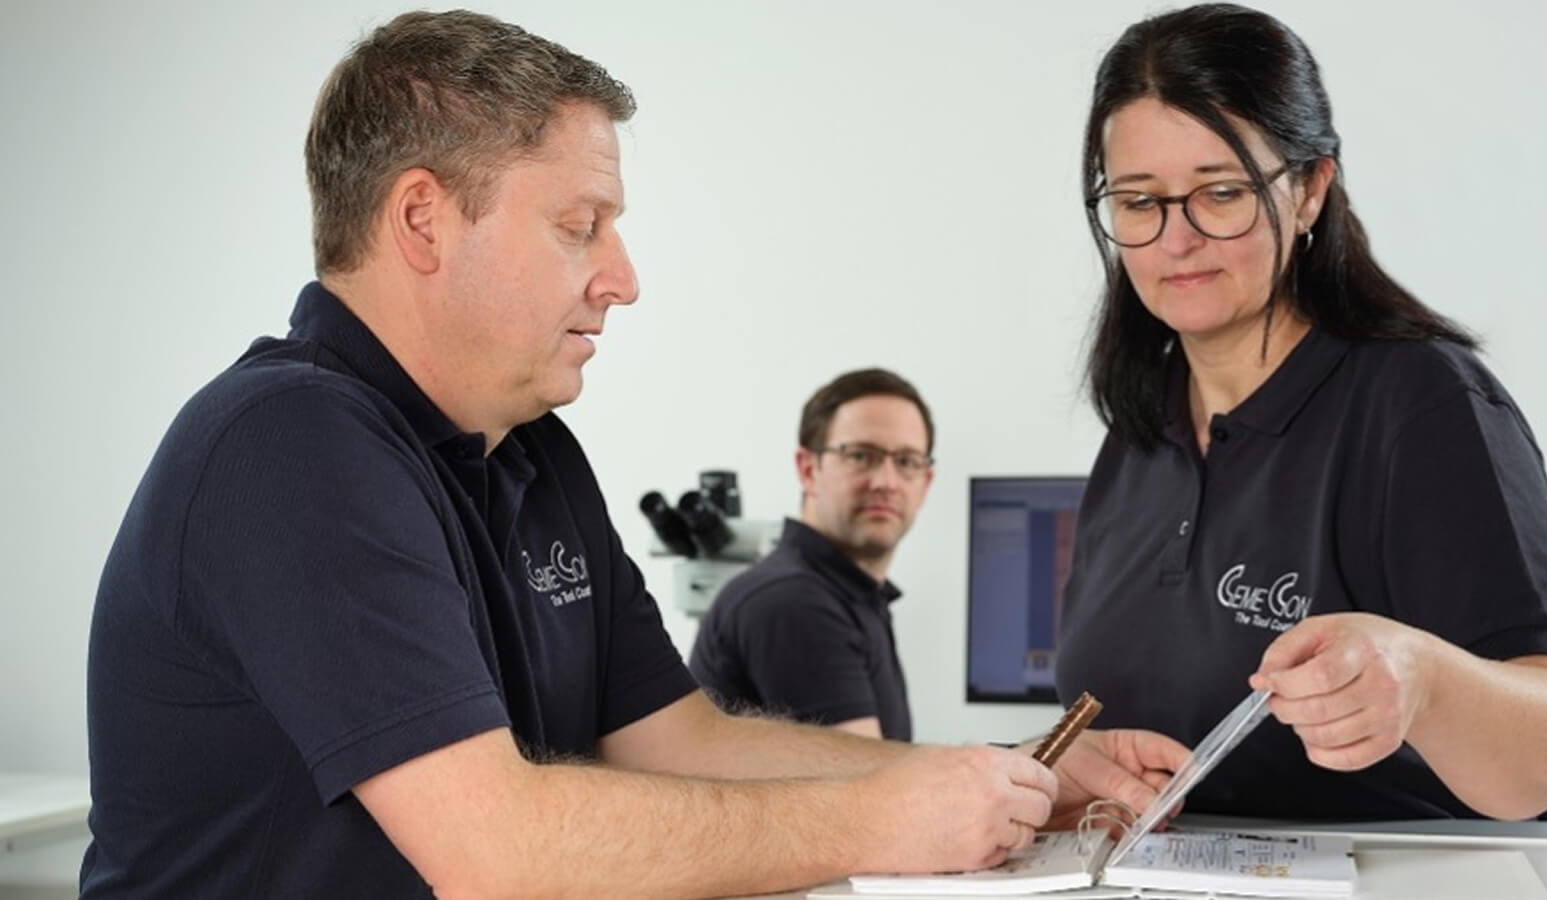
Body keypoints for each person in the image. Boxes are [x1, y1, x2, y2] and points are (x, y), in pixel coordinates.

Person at [81, 11, 1188, 898]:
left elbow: (678, 740)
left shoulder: (532, 454)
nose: (622, 276)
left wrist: (1004, 785)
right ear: (422, 221)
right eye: (579, 225)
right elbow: (495, 853)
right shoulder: (287, 446)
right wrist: (875, 818)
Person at [1053, 2, 1547, 823]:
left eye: (1222, 192)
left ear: (1310, 189)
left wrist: (1425, 681)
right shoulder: (1139, 432)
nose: (1177, 239)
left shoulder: (1425, 405)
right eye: (1139, 201)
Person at [690, 368, 933, 740]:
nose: (886, 482)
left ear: (925, 481)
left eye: (906, 461)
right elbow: (871, 787)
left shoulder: (853, 596)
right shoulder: (793, 602)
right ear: (808, 469)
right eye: (861, 456)